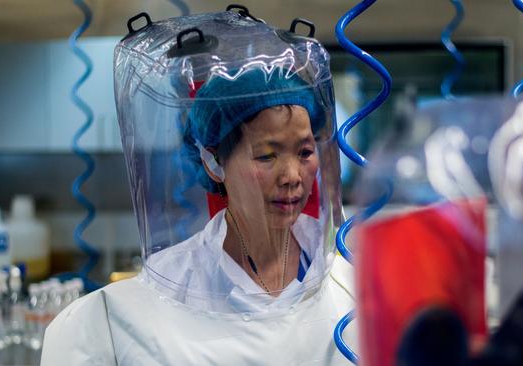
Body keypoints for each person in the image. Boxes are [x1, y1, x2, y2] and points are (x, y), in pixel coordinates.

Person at [41, 9, 356, 365]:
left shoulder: (352, 286)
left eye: (305, 151)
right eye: (266, 156)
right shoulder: (147, 304)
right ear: (213, 163)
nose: (292, 175)